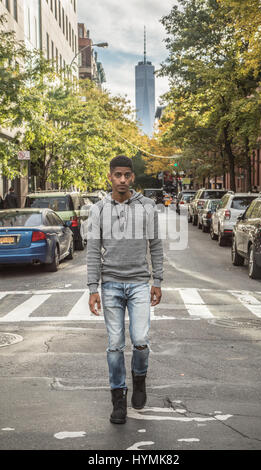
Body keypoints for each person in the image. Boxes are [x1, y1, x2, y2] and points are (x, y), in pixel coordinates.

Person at [87, 155, 163, 425]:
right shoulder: (98, 209)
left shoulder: (147, 207)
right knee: (115, 345)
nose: (122, 180)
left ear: (132, 177)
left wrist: (158, 281)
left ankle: (139, 380)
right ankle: (118, 397)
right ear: (110, 177)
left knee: (140, 340)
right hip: (110, 285)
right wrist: (92, 287)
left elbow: (155, 244)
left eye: (126, 175)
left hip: (140, 283)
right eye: (117, 175)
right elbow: (93, 250)